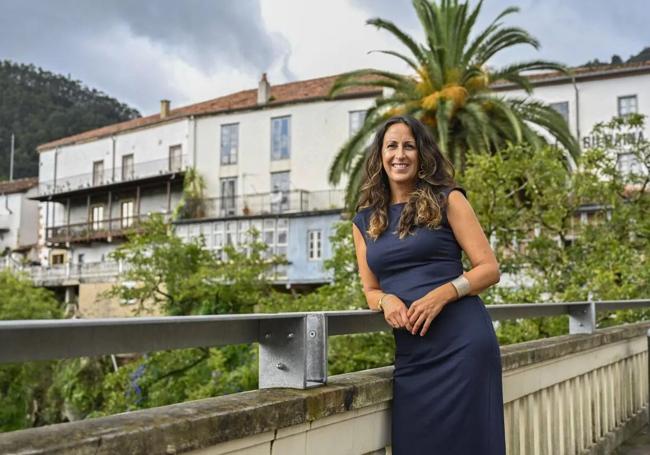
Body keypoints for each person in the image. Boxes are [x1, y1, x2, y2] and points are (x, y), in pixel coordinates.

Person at [351, 115, 506, 454]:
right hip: (413, 354)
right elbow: (370, 290)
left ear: (422, 154)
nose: (400, 154)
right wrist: (385, 302)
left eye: (409, 146)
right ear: (379, 156)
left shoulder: (448, 200)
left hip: (463, 347)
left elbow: (489, 269)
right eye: (391, 146)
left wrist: (444, 293)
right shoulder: (364, 221)